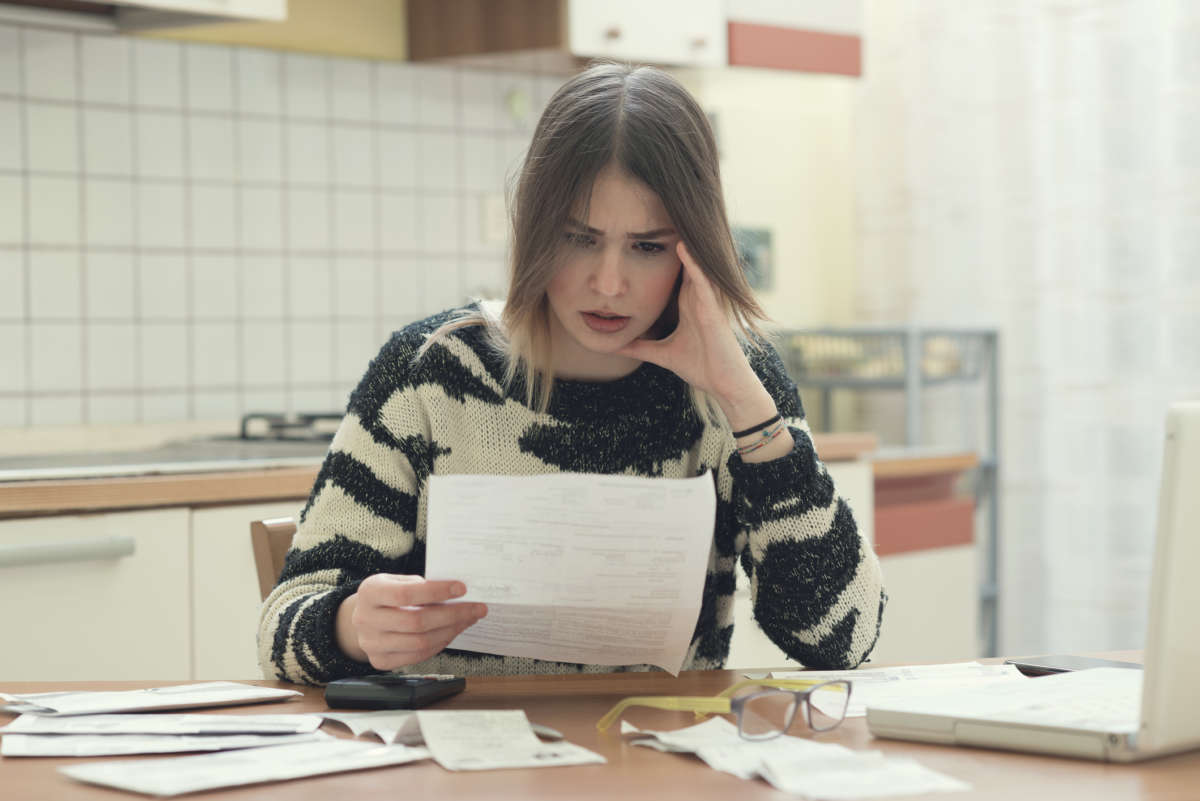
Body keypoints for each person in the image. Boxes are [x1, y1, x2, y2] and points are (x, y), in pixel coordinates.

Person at [258, 62, 885, 685]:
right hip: (463, 765)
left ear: (695, 247)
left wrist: (747, 403)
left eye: (648, 246)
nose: (608, 284)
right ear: (533, 232)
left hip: (658, 765)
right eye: (579, 238)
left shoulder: (735, 383)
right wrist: (348, 625)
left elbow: (844, 639)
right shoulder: (431, 371)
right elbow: (282, 627)